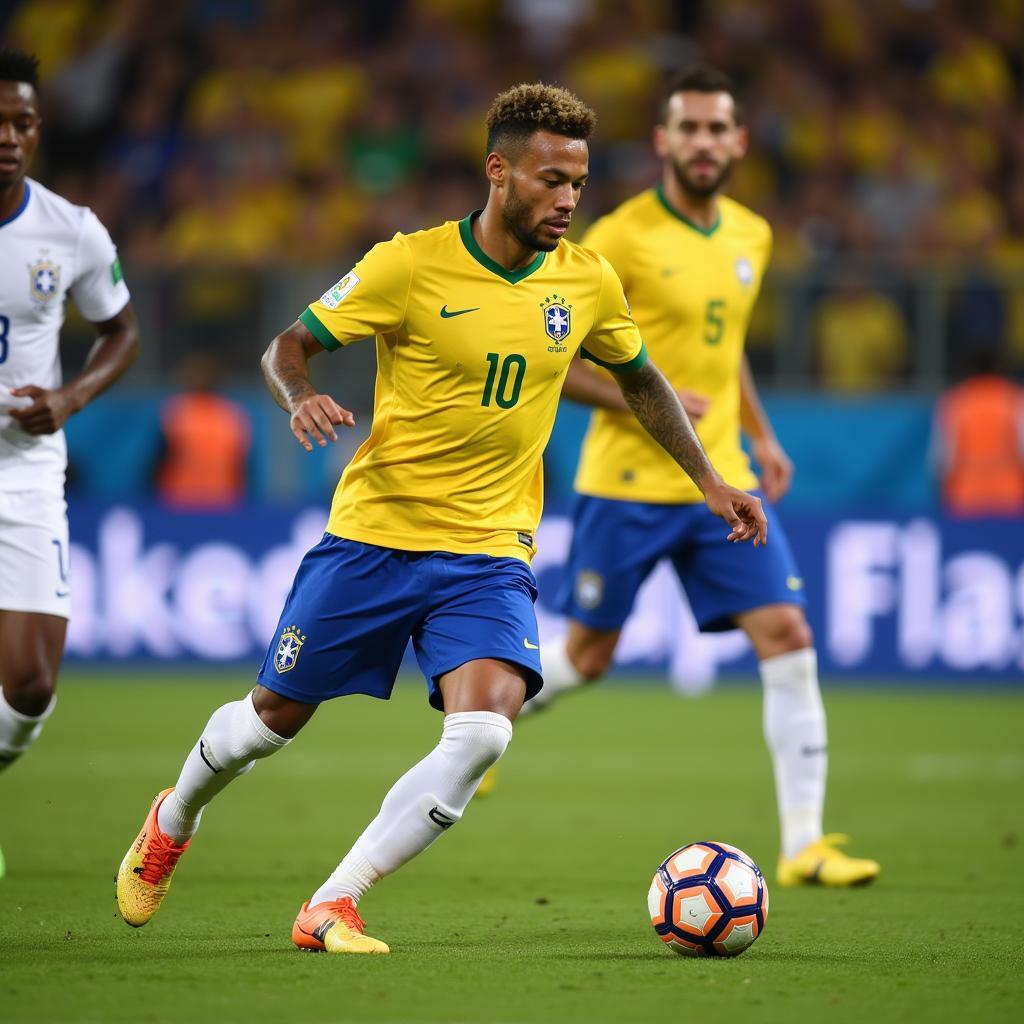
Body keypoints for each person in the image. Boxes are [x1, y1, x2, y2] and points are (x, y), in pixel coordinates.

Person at [115, 82, 767, 953]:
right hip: (375, 538)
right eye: (548, 180)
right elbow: (288, 346)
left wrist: (711, 479)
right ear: (498, 172)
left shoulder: (587, 279)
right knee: (267, 723)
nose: (568, 200)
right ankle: (176, 813)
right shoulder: (409, 264)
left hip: (490, 550)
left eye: (578, 181)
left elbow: (641, 379)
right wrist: (301, 395)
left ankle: (333, 903)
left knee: (484, 730)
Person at [519, 66, 879, 888]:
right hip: (628, 485)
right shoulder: (615, 238)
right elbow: (556, 356)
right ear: (663, 141)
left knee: (789, 638)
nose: (705, 143)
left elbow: (729, 347)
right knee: (591, 654)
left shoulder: (753, 234)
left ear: (740, 142)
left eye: (720, 129)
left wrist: (762, 433)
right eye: (690, 128)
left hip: (724, 481)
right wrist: (642, 400)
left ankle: (804, 847)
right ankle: (492, 718)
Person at [0, 49, 140, 878]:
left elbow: (121, 332)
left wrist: (72, 398)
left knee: (30, 685)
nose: (9, 138)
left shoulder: (72, 228)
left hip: (24, 468)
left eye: (22, 123)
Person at [932, 346, 1024, 517]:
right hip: (1010, 497)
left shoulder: (954, 401)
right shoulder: (1015, 400)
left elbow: (943, 459)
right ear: (1001, 369)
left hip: (965, 496)